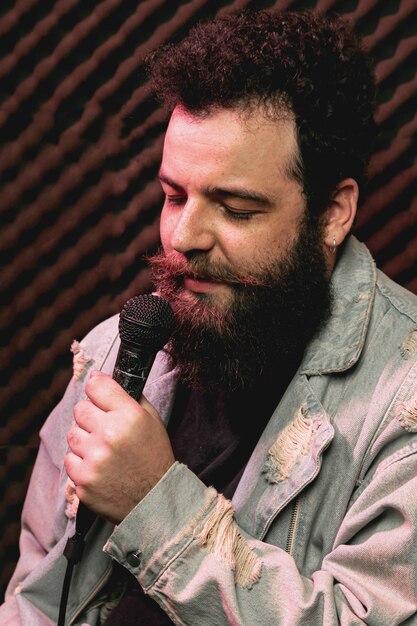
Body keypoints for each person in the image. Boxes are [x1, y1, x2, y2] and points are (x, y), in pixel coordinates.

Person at [2, 8, 417, 625]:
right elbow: (36, 593)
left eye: (237, 209)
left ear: (332, 212)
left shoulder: (404, 397)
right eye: (174, 195)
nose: (183, 236)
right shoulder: (118, 351)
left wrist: (153, 500)